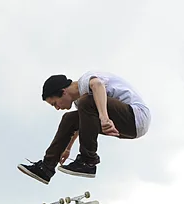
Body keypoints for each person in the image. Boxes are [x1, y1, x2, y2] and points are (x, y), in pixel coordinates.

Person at [18, 71, 151, 184]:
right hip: (126, 125)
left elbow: (97, 85)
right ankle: (46, 168)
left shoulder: (85, 81)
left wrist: (104, 118)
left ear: (63, 92)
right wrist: (67, 148)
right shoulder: (79, 102)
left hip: (137, 117)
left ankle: (88, 161)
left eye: (55, 104)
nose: (58, 108)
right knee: (69, 118)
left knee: (87, 102)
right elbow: (82, 123)